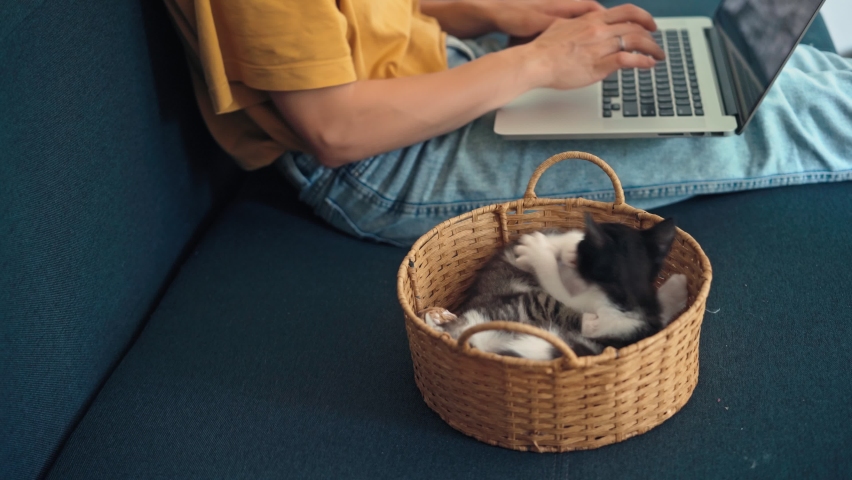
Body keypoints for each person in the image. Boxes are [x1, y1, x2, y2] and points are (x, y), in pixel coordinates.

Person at [164, 0, 852, 246]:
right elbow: (335, 129)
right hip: (381, 164)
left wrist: (495, 11)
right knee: (758, 124)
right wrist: (537, 66)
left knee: (775, 77)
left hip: (440, 71)